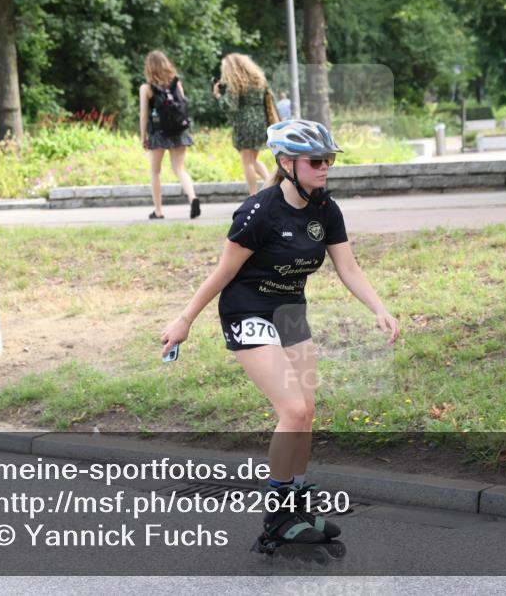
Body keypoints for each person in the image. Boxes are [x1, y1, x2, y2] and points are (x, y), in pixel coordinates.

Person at [160, 119, 399, 550]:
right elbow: (224, 271)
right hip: (248, 310)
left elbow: (349, 267)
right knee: (291, 410)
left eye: (329, 159)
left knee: (306, 411)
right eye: (316, 161)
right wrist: (184, 321)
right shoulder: (260, 211)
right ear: (286, 163)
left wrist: (379, 308)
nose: (325, 167)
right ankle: (276, 518)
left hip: (290, 312)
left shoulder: (325, 208)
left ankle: (298, 506)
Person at [140, 50, 201, 220]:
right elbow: (183, 106)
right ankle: (193, 198)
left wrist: (143, 136)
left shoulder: (146, 88)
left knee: (155, 172)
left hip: (158, 133)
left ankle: (158, 211)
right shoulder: (176, 83)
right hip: (178, 131)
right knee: (180, 169)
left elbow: (144, 115)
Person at [213, 53, 273, 195]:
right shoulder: (258, 79)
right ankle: (273, 185)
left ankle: (253, 196)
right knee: (254, 160)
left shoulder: (235, 82)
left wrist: (218, 96)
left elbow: (230, 105)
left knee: (247, 162)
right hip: (260, 120)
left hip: (244, 122)